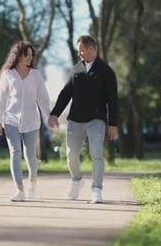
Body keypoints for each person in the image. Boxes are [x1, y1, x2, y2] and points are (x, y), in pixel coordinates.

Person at [48, 35, 118, 203]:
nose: (79, 53)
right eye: (78, 50)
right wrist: (54, 113)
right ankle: (77, 180)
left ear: (91, 49)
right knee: (71, 154)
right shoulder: (75, 70)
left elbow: (113, 100)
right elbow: (65, 94)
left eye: (81, 50)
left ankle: (97, 189)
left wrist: (113, 124)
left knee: (96, 154)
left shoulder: (106, 71)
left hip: (96, 120)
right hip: (75, 120)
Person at [0, 41, 51, 202]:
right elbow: (1, 99)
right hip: (10, 119)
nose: (31, 58)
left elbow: (43, 98)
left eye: (32, 55)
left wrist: (49, 116)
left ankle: (32, 181)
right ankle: (19, 190)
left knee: (30, 155)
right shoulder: (8, 75)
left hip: (32, 121)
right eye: (28, 54)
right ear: (19, 56)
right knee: (15, 152)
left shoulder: (36, 75)